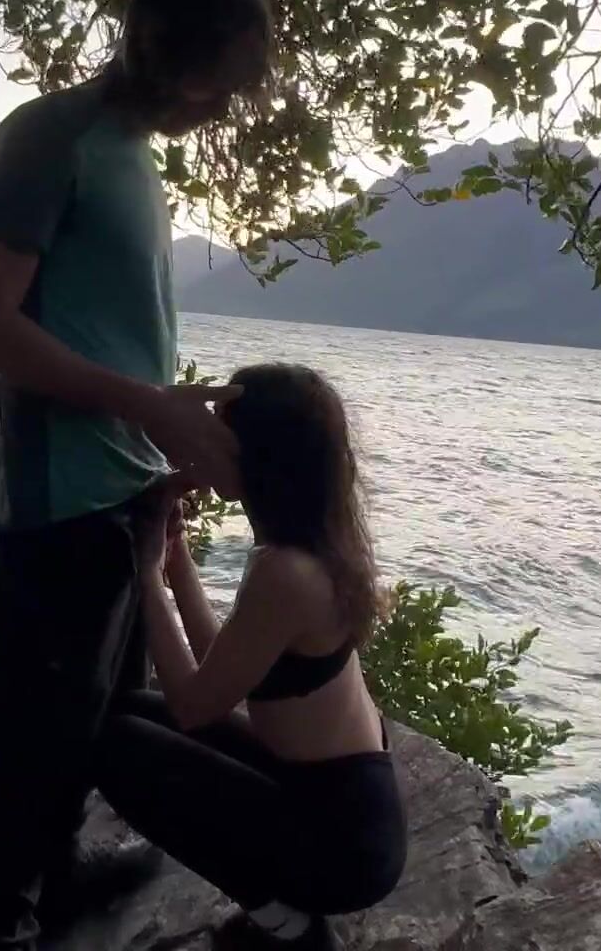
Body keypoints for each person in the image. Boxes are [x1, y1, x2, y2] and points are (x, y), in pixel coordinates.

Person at [0, 0, 275, 951]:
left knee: (102, 725)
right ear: (158, 50)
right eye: (217, 79)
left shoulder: (134, 155)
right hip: (57, 502)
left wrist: (158, 444)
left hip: (123, 489)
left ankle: (57, 877)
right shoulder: (51, 138)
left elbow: (110, 336)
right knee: (38, 741)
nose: (223, 105)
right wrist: (148, 408)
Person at [92, 363, 407, 950]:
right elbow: (219, 672)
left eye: (218, 428)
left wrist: (145, 571)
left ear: (257, 453)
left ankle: (290, 927)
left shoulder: (288, 573)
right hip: (329, 800)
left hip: (342, 844)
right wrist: (175, 557)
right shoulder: (301, 549)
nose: (201, 437)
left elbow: (193, 706)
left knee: (114, 746)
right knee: (128, 710)